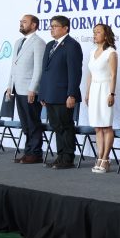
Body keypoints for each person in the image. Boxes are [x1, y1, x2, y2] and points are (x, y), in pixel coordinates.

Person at [39, 15, 83, 169]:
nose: (52, 29)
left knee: (66, 126)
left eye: (55, 26)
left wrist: (71, 94)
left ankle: (68, 158)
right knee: (57, 127)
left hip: (64, 95)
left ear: (65, 28)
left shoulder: (72, 45)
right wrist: (43, 94)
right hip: (50, 94)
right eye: (51, 26)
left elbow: (74, 72)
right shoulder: (50, 45)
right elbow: (45, 71)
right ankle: (60, 155)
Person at [6, 14, 46, 164]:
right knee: (25, 123)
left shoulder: (39, 42)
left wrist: (33, 89)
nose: (21, 23)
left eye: (24, 22)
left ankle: (36, 153)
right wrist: (10, 85)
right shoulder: (18, 42)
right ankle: (28, 151)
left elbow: (38, 69)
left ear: (34, 25)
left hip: (30, 90)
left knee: (33, 122)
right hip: (18, 88)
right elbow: (13, 66)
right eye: (20, 21)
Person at [85, 23, 118, 173]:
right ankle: (99, 156)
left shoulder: (111, 52)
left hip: (105, 88)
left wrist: (111, 93)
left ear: (106, 35)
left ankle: (106, 158)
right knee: (98, 126)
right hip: (94, 89)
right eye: (94, 32)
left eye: (98, 32)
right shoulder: (92, 52)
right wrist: (87, 93)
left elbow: (113, 75)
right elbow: (90, 74)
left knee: (106, 125)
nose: (95, 34)